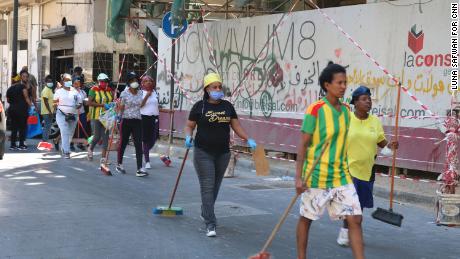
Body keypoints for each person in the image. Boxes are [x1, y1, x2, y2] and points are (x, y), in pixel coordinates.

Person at [295, 62, 364, 259]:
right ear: (327, 85)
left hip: (341, 176)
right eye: (339, 83)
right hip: (316, 176)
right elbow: (303, 145)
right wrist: (298, 178)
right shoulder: (315, 110)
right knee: (307, 219)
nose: (343, 86)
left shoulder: (345, 112)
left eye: (345, 82)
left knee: (355, 219)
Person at [184, 72, 257, 237]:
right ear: (207, 89)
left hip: (223, 153)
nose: (218, 89)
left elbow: (236, 126)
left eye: (219, 87)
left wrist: (248, 139)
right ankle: (210, 222)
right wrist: (188, 136)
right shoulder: (199, 107)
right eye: (214, 87)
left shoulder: (227, 106)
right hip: (203, 152)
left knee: (215, 187)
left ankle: (205, 211)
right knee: (208, 186)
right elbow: (189, 126)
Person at [336, 85, 398, 246]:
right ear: (355, 102)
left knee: (360, 205)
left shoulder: (375, 122)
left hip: (367, 170)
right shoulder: (347, 118)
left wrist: (391, 146)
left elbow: (384, 146)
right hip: (348, 169)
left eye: (369, 99)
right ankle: (346, 232)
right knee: (352, 204)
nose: (368, 102)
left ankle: (350, 231)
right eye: (364, 99)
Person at [116, 72, 147, 177]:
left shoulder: (140, 93)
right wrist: (118, 115)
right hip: (126, 120)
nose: (135, 82)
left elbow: (141, 105)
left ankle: (139, 168)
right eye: (132, 80)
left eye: (136, 80)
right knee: (123, 142)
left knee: (138, 144)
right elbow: (121, 107)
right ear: (128, 82)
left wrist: (147, 97)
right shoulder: (124, 93)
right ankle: (119, 164)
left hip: (137, 120)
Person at [140, 75, 172, 169]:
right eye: (146, 81)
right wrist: (147, 95)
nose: (149, 82)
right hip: (144, 117)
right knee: (145, 140)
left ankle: (143, 151)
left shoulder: (155, 93)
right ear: (142, 83)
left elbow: (156, 107)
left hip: (154, 118)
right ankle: (147, 161)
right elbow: (140, 105)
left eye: (150, 80)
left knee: (153, 139)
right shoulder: (140, 92)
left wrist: (168, 111)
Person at [53, 73, 82, 159]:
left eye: (69, 80)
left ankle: (64, 147)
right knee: (64, 131)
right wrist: (55, 106)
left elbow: (79, 103)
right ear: (62, 81)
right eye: (66, 80)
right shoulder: (58, 91)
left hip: (73, 115)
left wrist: (78, 106)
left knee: (70, 133)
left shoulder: (75, 92)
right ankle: (66, 151)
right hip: (61, 114)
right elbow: (54, 103)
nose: (68, 82)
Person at [87, 73, 113, 163]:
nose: (103, 83)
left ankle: (103, 157)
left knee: (106, 137)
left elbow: (111, 101)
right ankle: (90, 148)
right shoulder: (93, 90)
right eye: (101, 81)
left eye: (105, 81)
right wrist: (102, 105)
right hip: (96, 116)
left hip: (107, 117)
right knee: (97, 136)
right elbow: (89, 103)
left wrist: (112, 104)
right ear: (98, 81)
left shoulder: (109, 90)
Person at [6, 70, 32, 150]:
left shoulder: (10, 88)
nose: (26, 78)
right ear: (20, 77)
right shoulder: (23, 87)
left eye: (26, 76)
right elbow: (27, 98)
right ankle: (21, 145)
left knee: (14, 128)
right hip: (21, 110)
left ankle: (13, 145)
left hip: (12, 110)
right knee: (22, 128)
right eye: (24, 76)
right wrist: (30, 105)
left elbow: (7, 99)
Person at [70, 75, 88, 151]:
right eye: (76, 82)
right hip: (72, 113)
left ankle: (80, 144)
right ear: (73, 83)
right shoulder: (70, 92)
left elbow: (85, 102)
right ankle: (70, 144)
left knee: (82, 128)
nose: (77, 84)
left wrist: (87, 102)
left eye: (79, 82)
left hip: (82, 113)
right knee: (72, 129)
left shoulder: (83, 92)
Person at [41, 75, 55, 142]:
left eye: (51, 81)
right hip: (47, 112)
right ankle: (45, 141)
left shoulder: (49, 90)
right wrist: (50, 111)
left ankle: (45, 140)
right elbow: (45, 101)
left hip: (49, 111)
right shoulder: (46, 90)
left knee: (48, 127)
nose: (50, 82)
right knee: (47, 127)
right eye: (49, 81)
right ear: (45, 82)